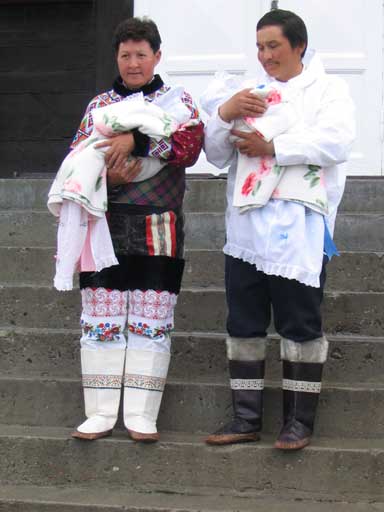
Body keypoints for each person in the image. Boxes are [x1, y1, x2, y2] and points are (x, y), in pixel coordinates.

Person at [201, 9, 355, 450]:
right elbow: (215, 155)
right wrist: (225, 113)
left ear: (299, 45)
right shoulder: (250, 93)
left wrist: (274, 145)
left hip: (301, 228)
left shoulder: (328, 90)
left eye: (274, 46)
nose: (265, 56)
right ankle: (245, 418)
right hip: (247, 227)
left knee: (300, 322)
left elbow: (338, 141)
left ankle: (298, 422)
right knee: (244, 321)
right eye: (260, 47)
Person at [67, 17, 203, 442]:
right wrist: (113, 179)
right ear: (117, 57)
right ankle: (101, 412)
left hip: (158, 225)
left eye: (141, 54)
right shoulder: (99, 106)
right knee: (101, 317)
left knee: (151, 318)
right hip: (103, 224)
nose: (133, 63)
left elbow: (190, 148)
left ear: (157, 56)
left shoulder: (178, 102)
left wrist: (137, 143)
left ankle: (142, 414)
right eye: (126, 55)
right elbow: (76, 160)